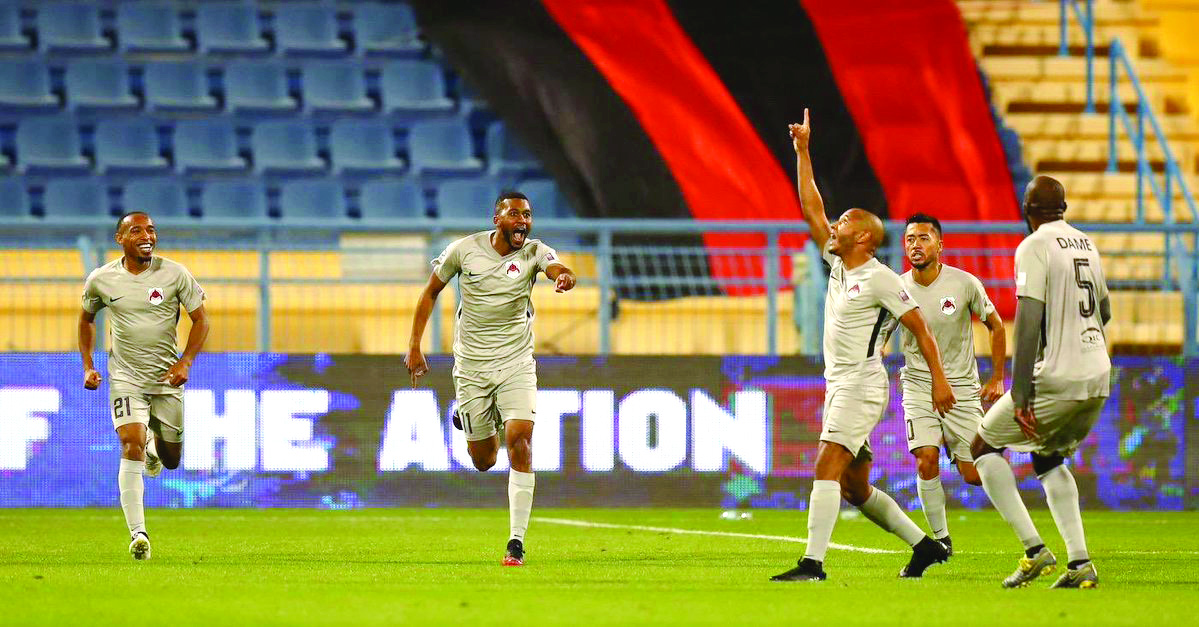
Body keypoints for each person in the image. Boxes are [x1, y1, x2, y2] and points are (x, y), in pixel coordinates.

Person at [772, 110, 956, 582]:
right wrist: (803, 152)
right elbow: (812, 207)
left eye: (845, 222)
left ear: (865, 239)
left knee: (826, 463)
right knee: (855, 487)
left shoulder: (881, 280)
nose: (834, 225)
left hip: (861, 384)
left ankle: (812, 564)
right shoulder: (839, 267)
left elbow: (921, 328)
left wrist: (938, 381)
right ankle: (926, 546)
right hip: (840, 384)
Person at [405, 190, 576, 566]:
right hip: (471, 367)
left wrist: (564, 278)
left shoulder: (534, 252)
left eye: (528, 214)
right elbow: (430, 292)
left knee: (521, 438)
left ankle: (516, 541)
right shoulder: (464, 250)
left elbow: (558, 268)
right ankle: (472, 417)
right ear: (497, 219)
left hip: (516, 361)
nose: (523, 221)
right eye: (515, 214)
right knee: (483, 460)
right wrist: (415, 346)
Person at [970, 175, 1110, 589]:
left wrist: (1022, 390)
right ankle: (1080, 563)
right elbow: (1104, 310)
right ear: (1063, 208)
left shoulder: (1033, 246)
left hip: (1058, 376)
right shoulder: (1087, 243)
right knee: (1048, 457)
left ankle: (1034, 551)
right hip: (1098, 373)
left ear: (1027, 211)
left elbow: (1028, 319)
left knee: (982, 445)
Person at [79, 212, 209, 560]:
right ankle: (139, 534)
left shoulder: (175, 273)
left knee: (171, 460)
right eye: (136, 230)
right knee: (129, 443)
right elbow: (86, 320)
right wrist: (89, 365)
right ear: (120, 238)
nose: (147, 235)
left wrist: (185, 362)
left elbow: (201, 321)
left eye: (151, 229)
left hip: (167, 379)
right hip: (125, 378)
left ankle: (156, 449)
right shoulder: (101, 279)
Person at [892, 213, 1007, 555]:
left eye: (924, 238)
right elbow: (878, 336)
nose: (916, 244)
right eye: (910, 238)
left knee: (975, 474)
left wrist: (998, 376)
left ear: (940, 245)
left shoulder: (964, 284)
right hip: (917, 386)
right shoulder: (896, 289)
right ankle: (941, 539)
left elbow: (997, 326)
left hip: (961, 390)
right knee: (926, 457)